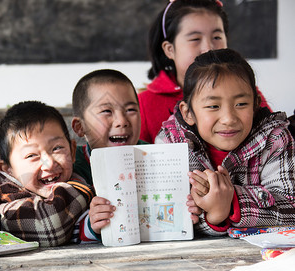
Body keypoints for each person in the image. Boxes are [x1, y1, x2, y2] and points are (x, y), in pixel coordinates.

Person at [156, 48, 295, 236]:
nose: (229, 118)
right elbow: (171, 219)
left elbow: (290, 208)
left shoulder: (275, 138)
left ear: (256, 104)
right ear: (188, 112)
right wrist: (214, 216)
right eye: (213, 106)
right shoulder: (171, 144)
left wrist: (231, 202)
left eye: (241, 104)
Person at [138, 0, 271, 143]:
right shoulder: (144, 104)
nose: (208, 48)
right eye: (195, 39)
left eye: (216, 37)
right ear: (170, 49)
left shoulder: (245, 93)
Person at [0, 101, 94, 246]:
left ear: (72, 150)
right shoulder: (2, 192)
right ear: (8, 169)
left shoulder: (79, 173)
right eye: (32, 155)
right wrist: (86, 192)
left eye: (57, 148)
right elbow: (50, 227)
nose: (49, 163)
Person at [71, 69, 160, 241]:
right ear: (79, 127)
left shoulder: (155, 157)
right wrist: (93, 224)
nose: (122, 121)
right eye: (106, 111)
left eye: (131, 109)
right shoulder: (74, 168)